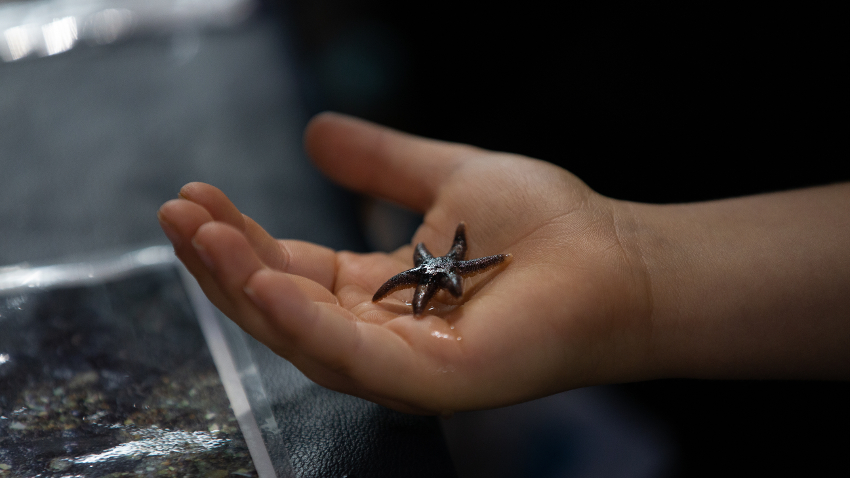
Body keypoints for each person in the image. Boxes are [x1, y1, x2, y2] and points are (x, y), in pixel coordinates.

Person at [157, 111, 850, 416]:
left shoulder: (447, 266)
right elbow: (438, 262)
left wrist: (635, 278)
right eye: (434, 274)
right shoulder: (436, 268)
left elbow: (449, 260)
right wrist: (640, 275)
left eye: (440, 273)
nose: (432, 274)